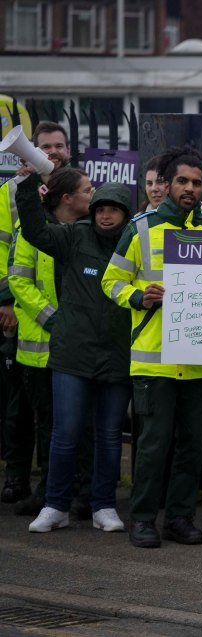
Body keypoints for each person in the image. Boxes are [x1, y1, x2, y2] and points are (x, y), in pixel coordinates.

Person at [102, 145, 202, 549]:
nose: (190, 188)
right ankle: (142, 519)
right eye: (182, 181)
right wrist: (141, 295)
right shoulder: (140, 228)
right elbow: (111, 282)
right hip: (154, 360)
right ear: (167, 183)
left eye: (196, 183)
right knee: (154, 445)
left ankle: (180, 517)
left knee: (194, 444)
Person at [12, 173, 132, 534]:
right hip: (72, 354)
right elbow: (35, 231)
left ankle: (104, 506)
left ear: (126, 215)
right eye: (100, 209)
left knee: (110, 436)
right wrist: (29, 188)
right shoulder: (74, 235)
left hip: (117, 354)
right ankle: (55, 506)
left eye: (114, 210)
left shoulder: (134, 245)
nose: (106, 216)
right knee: (65, 433)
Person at [8, 167, 93, 517]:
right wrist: (52, 319)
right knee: (49, 425)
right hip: (40, 347)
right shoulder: (30, 231)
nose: (94, 193)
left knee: (81, 424)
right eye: (87, 189)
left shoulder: (88, 232)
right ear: (67, 198)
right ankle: (49, 491)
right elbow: (19, 280)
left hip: (76, 346)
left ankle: (81, 493)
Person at [0, 122, 70, 506]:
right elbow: (3, 251)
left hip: (60, 324)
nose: (53, 151)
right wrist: (5, 300)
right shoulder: (10, 193)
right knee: (21, 408)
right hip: (22, 314)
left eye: (59, 145)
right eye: (45, 146)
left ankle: (52, 487)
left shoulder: (77, 188)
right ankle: (17, 476)